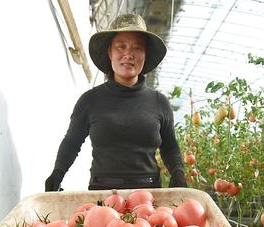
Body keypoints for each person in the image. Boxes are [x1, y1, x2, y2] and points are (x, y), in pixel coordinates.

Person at [45, 13, 187, 191]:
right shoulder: (90, 101)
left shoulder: (159, 102)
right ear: (109, 52)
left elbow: (170, 146)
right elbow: (71, 142)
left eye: (137, 48)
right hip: (102, 196)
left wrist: (178, 172)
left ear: (145, 55)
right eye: (121, 46)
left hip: (149, 196)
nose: (128, 54)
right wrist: (58, 173)